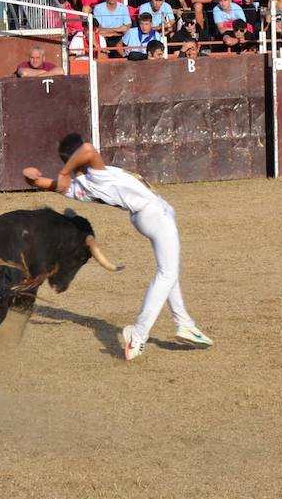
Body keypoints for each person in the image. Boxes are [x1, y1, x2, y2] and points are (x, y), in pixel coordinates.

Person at [23, 133, 212, 360]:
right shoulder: (96, 176)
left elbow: (39, 182)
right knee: (167, 272)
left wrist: (31, 177)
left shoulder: (77, 187)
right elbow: (89, 149)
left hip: (148, 215)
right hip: (153, 214)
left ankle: (184, 323)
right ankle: (139, 333)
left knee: (168, 270)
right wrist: (63, 172)